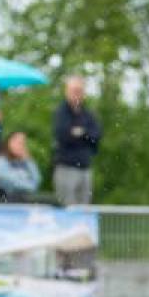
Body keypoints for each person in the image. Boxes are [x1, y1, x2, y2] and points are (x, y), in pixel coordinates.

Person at [52, 75, 102, 206]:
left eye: (79, 90)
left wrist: (80, 133)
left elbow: (96, 136)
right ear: (66, 91)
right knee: (67, 209)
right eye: (74, 90)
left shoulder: (88, 114)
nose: (77, 94)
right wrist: (85, 135)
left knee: (84, 210)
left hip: (85, 168)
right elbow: (63, 136)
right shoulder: (61, 113)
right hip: (66, 167)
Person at [0, 131, 41, 202]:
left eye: (23, 143)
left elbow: (37, 180)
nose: (21, 146)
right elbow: (9, 182)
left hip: (26, 198)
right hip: (7, 199)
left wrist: (29, 160)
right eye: (18, 142)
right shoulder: (0, 161)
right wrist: (30, 186)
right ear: (9, 142)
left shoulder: (26, 162)